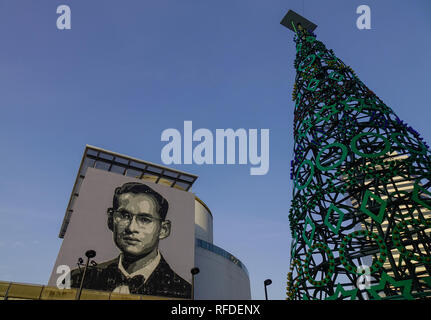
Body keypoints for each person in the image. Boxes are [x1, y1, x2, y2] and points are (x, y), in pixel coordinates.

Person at [70, 182, 191, 299]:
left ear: (163, 229)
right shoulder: (77, 280)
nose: (131, 228)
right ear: (111, 220)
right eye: (124, 216)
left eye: (144, 219)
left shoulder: (185, 292)